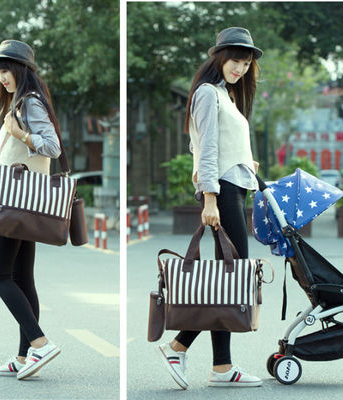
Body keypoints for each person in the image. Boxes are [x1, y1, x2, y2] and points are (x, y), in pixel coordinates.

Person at [157, 27, 263, 389]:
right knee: (232, 279)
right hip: (223, 193)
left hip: (235, 188)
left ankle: (222, 367)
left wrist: (248, 165)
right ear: (219, 57)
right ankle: (178, 346)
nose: (240, 68)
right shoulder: (207, 93)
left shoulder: (225, 96)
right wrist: (211, 198)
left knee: (229, 278)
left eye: (246, 63)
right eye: (235, 60)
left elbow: (220, 147)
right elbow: (204, 150)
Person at [0, 39, 62, 380]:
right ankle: (24, 358)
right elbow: (15, 158)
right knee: (21, 278)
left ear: (21, 70)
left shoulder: (29, 103)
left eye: (6, 70)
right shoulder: (20, 103)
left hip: (15, 203)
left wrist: (18, 131)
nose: (2, 77)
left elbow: (51, 146)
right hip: (26, 202)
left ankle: (40, 343)